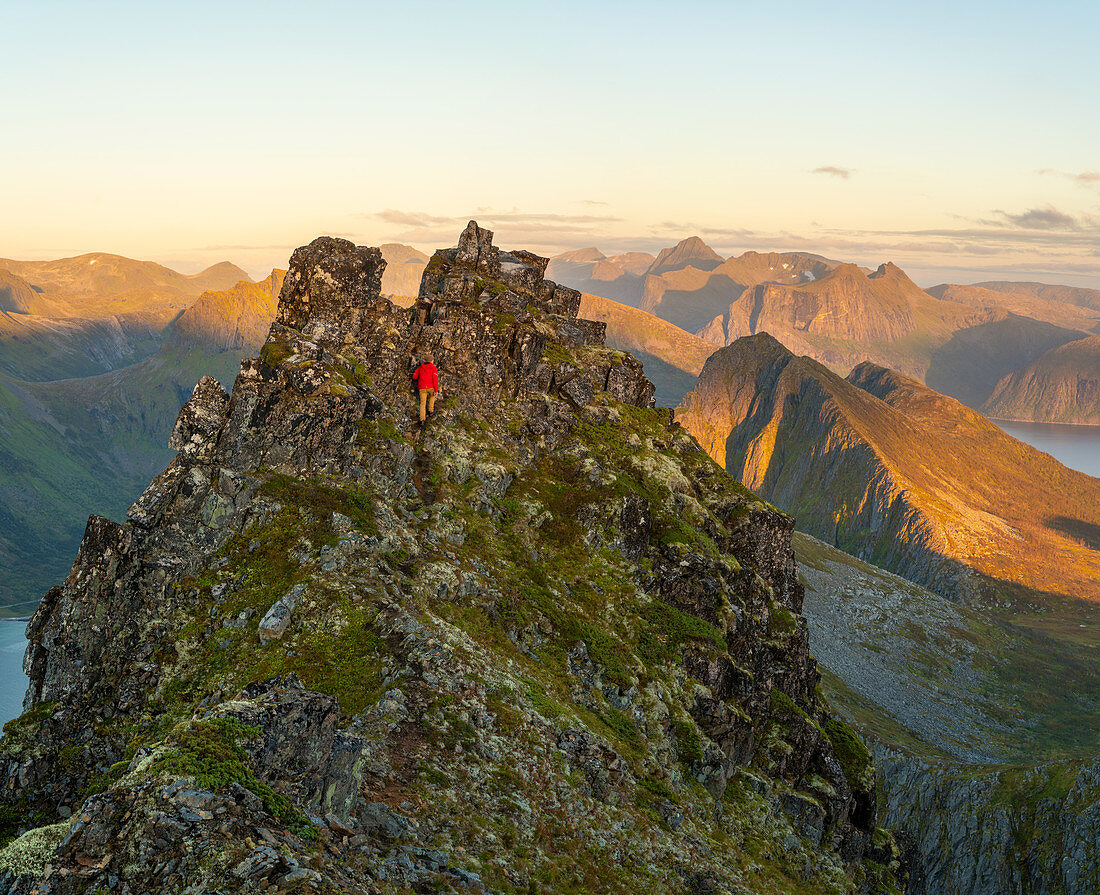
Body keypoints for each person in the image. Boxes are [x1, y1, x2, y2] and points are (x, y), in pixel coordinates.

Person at [412, 350, 440, 423]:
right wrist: (436, 391)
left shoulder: (420, 367)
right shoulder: (433, 368)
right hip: (431, 387)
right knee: (432, 395)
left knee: (422, 403)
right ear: (431, 361)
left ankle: (422, 419)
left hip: (422, 388)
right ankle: (430, 410)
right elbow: (435, 380)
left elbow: (414, 377)